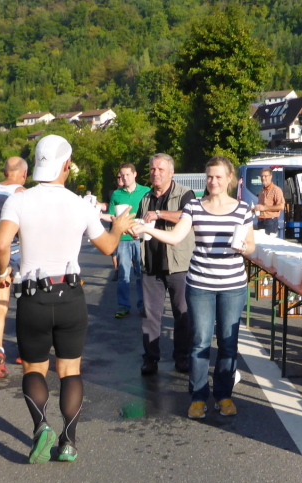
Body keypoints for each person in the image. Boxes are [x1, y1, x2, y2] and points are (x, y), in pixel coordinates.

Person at [0, 134, 135, 463]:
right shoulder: (79, 204)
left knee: (34, 368)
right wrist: (119, 227)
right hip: (70, 294)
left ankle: (41, 426)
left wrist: (2, 272)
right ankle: (68, 441)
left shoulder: (19, 200)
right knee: (70, 370)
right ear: (67, 164)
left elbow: (1, 245)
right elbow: (108, 247)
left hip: (33, 296)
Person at [132, 156, 255, 420]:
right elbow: (176, 237)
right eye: (209, 176)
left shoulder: (243, 209)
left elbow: (251, 245)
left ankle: (223, 395)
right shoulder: (194, 206)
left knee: (228, 342)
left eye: (218, 177)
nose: (213, 181)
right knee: (199, 342)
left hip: (233, 285)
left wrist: (245, 248)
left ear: (229, 179)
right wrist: (147, 230)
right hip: (200, 283)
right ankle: (198, 397)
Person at [135, 154, 195, 375]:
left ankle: (182, 357)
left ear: (171, 172)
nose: (156, 173)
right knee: (150, 316)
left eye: (161, 169)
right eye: (152, 169)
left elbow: (188, 216)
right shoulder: (146, 197)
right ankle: (150, 358)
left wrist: (159, 214)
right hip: (151, 265)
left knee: (182, 314)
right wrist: (134, 229)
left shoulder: (185, 193)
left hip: (178, 264)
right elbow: (142, 221)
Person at [0, 157, 28, 378]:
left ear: (4, 172)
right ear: (23, 174)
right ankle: (24, 350)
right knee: (25, 304)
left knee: (0, 306)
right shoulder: (22, 193)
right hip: (18, 251)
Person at [108, 163, 150, 318]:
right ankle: (123, 306)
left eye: (128, 174)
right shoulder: (116, 194)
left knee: (141, 273)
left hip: (140, 238)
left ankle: (143, 305)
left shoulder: (146, 191)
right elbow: (112, 216)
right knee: (123, 274)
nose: (125, 178)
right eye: (122, 175)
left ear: (135, 174)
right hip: (123, 238)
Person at [254, 167, 285, 235]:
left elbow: (281, 206)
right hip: (260, 221)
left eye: (265, 176)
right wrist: (255, 209)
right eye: (262, 176)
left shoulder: (276, 190)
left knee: (269, 241)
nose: (263, 178)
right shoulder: (262, 191)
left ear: (270, 176)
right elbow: (261, 207)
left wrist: (264, 208)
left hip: (270, 222)